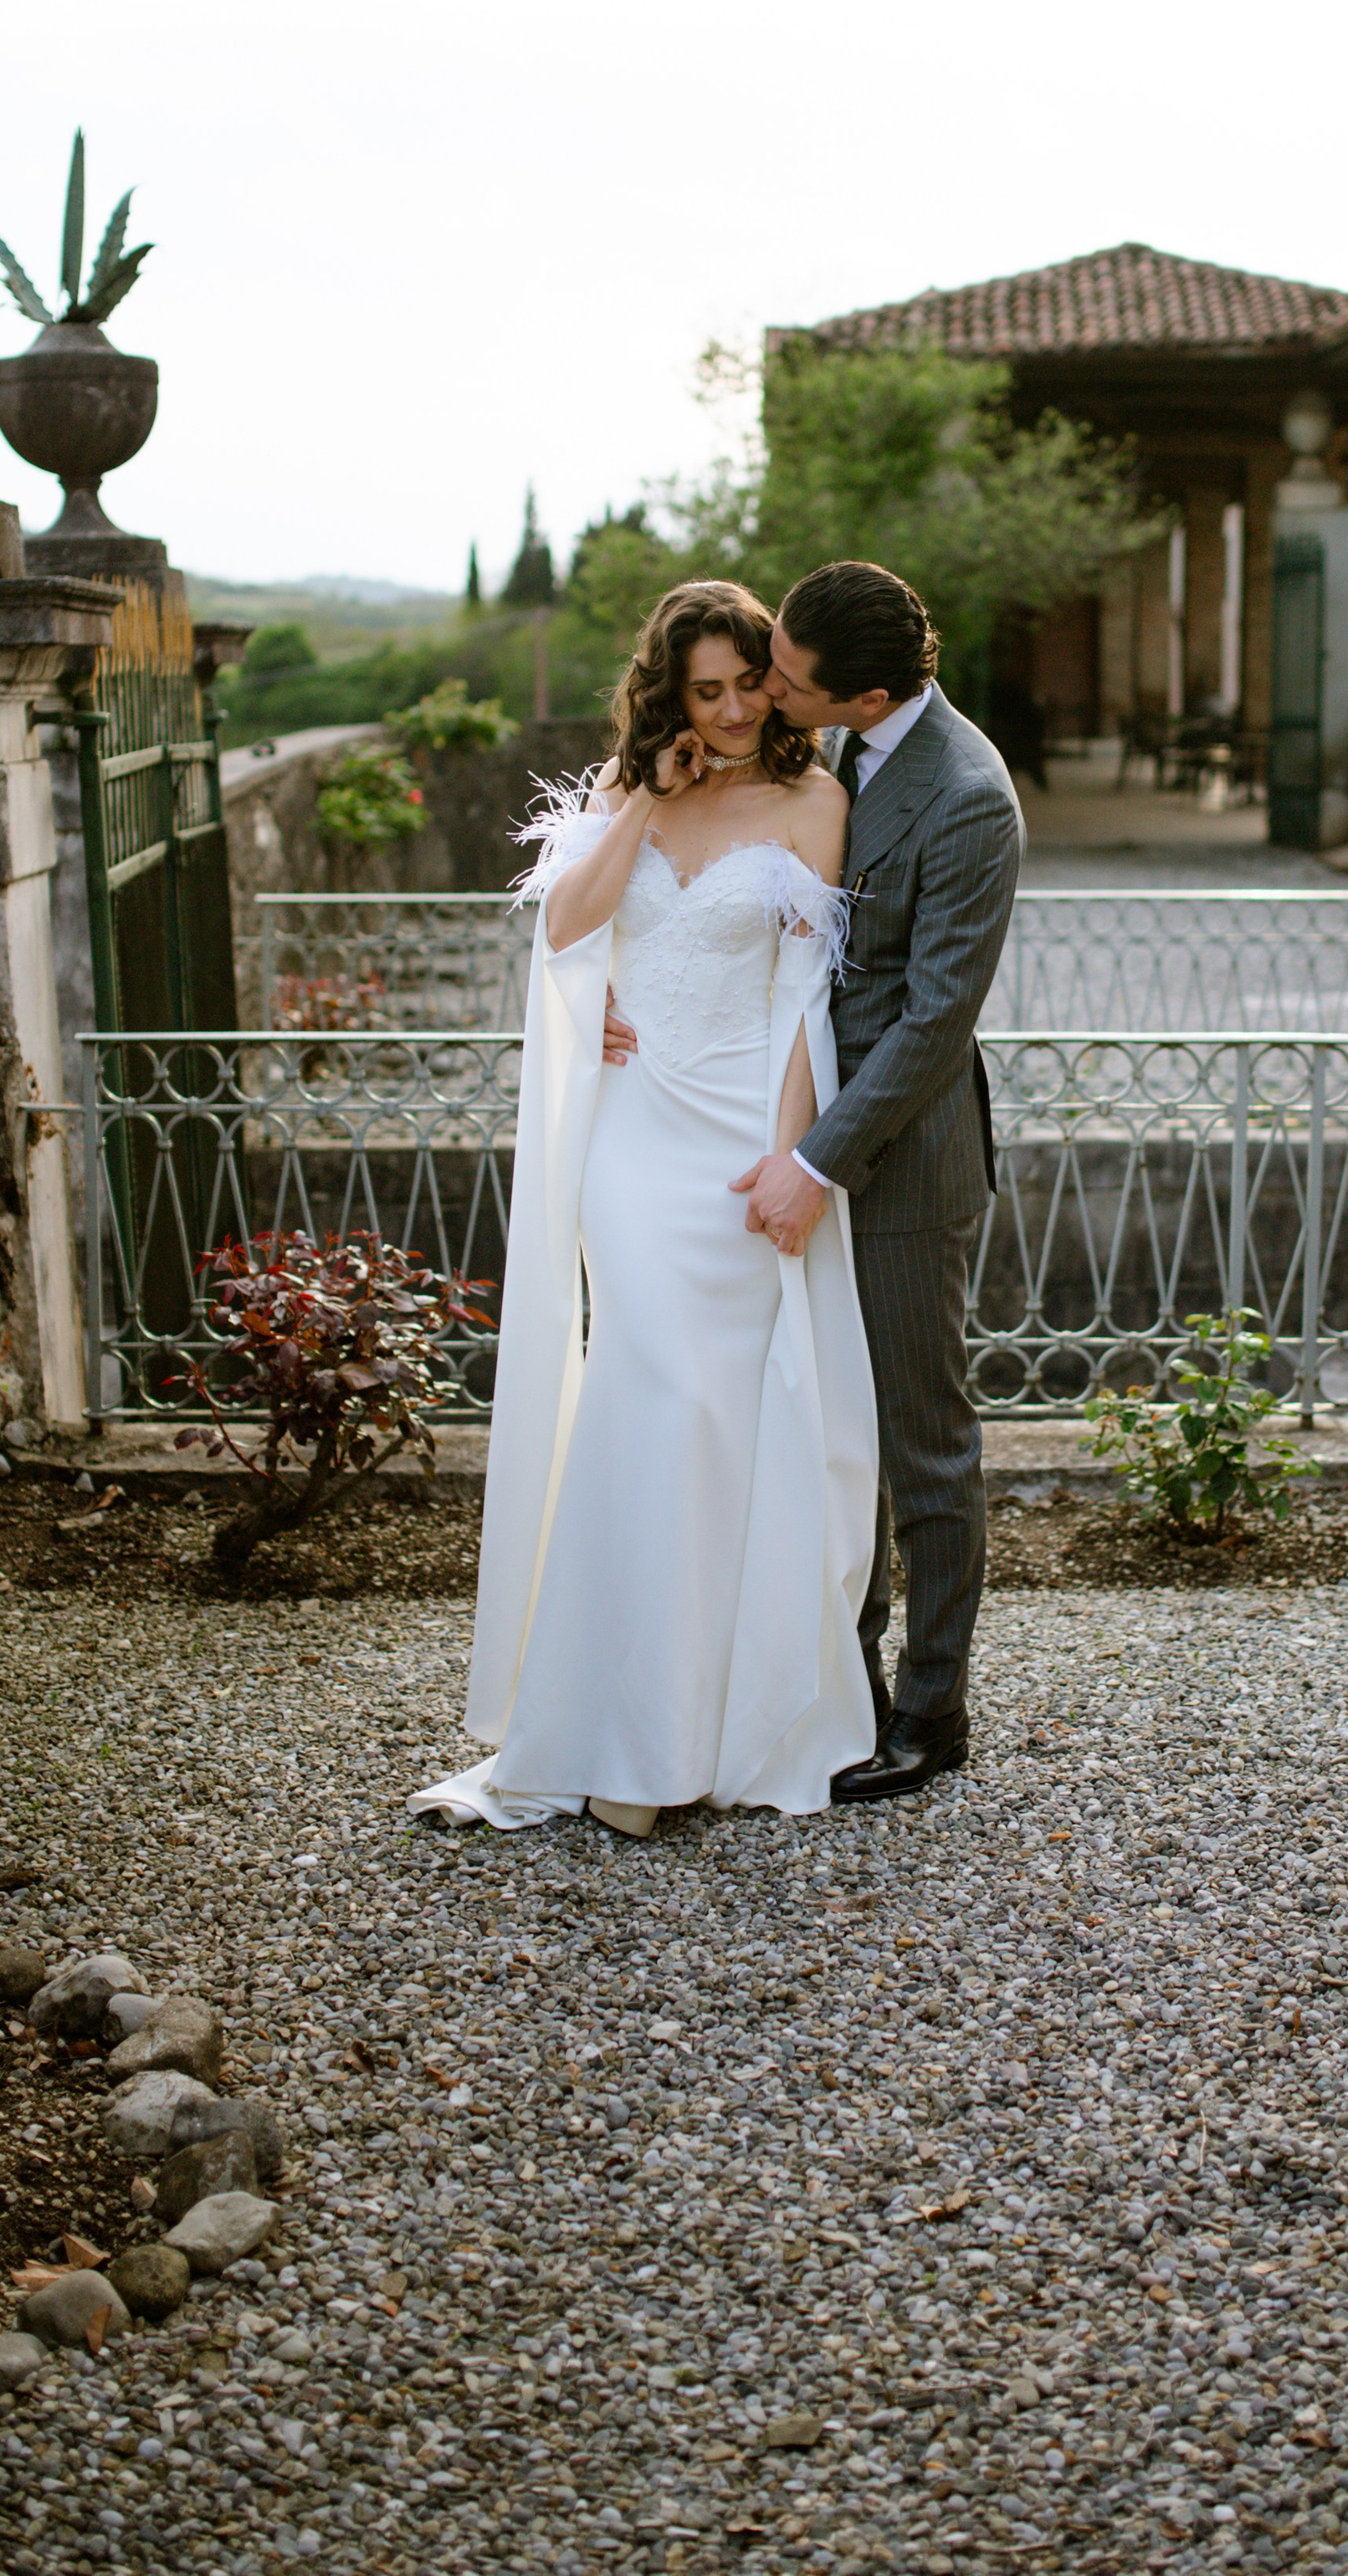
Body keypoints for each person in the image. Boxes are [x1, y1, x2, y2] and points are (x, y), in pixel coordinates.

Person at [410, 580, 879, 1838]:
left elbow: (805, 1001)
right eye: (702, 692)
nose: (728, 712)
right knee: (641, 1394)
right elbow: (567, 928)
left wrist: (795, 1163)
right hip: (632, 1136)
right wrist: (648, 804)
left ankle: (699, 1728)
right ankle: (613, 1728)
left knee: (722, 1424)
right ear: (668, 695)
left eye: (744, 687)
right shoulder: (636, 794)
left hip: (739, 1136)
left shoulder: (818, 802)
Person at [608, 560, 1025, 1801]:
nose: (769, 693)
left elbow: (935, 1018)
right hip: (787, 1125)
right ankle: (836, 1679)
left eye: (786, 677)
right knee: (825, 1424)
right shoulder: (844, 756)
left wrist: (812, 1163)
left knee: (920, 1440)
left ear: (869, 690)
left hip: (896, 1159)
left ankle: (932, 1710)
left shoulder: (966, 798)